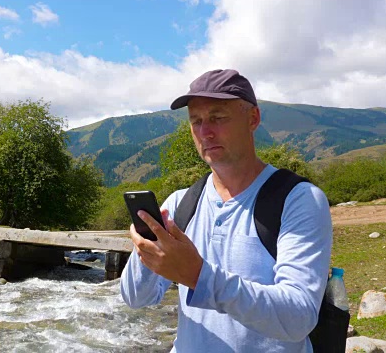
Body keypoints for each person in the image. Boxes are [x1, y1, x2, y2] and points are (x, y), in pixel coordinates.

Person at [120, 69, 332, 352]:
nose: (205, 132)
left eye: (218, 118)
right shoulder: (180, 204)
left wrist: (199, 276)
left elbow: (298, 318)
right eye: (196, 121)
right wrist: (145, 252)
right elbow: (136, 298)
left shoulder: (299, 200)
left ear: (253, 118)